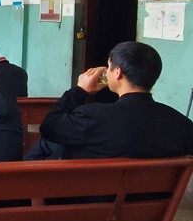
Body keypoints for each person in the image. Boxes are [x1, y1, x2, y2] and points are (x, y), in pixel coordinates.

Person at [27, 41, 193, 161]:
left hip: (92, 197)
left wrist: (79, 90)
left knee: (52, 142)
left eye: (109, 67)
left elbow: (49, 127)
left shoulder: (92, 117)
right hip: (156, 199)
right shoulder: (181, 124)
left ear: (118, 72)